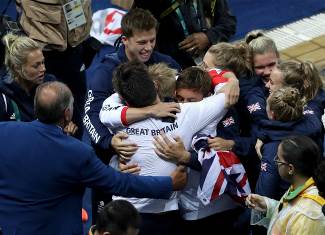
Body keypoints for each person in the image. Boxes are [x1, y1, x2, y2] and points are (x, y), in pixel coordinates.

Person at [0, 81, 187, 235]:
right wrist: (168, 184)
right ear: (67, 113)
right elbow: (119, 183)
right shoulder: (76, 152)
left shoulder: (4, 132)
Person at [99, 61, 229, 235]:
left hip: (124, 215)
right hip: (164, 216)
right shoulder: (185, 113)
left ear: (123, 96)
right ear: (154, 85)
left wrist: (147, 111)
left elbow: (106, 109)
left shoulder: (114, 118)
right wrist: (226, 76)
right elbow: (226, 95)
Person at [16, 0, 93, 139]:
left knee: (76, 109)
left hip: (75, 40)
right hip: (42, 45)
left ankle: (74, 150)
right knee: (43, 109)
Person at [246, 135, 325, 234]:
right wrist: (267, 205)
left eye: (278, 159)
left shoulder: (308, 216)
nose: (276, 162)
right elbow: (290, 212)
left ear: (290, 169)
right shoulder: (299, 186)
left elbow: (297, 215)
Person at [134, 0, 237, 68]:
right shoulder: (146, 2)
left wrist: (208, 37)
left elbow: (228, 23)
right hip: (175, 68)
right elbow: (140, 35)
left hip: (213, 61)